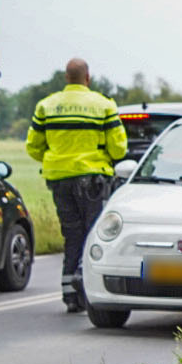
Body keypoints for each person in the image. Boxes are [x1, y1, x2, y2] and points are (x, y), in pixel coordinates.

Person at [25, 59, 128, 312]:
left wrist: (57, 160)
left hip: (59, 180)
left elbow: (33, 147)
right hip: (92, 179)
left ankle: (69, 294)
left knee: (71, 235)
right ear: (88, 78)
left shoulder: (46, 106)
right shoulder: (104, 106)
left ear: (66, 77)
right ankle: (87, 289)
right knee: (92, 234)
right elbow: (119, 148)